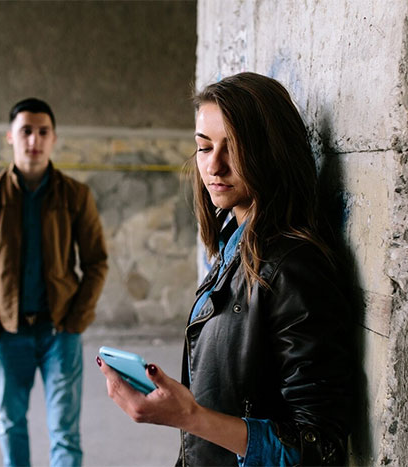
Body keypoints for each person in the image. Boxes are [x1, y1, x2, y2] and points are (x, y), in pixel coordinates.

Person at [97, 72, 353, 466]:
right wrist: (180, 411)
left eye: (234, 148)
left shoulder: (293, 267)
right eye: (204, 147)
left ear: (273, 151)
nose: (214, 166)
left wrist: (190, 417)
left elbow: (319, 446)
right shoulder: (236, 242)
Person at [0, 98, 108, 467]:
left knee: (65, 434)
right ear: (11, 136)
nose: (34, 140)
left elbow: (96, 262)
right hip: (6, 333)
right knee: (11, 424)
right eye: (26, 131)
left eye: (43, 132)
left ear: (54, 138)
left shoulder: (76, 195)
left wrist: (76, 322)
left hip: (60, 333)